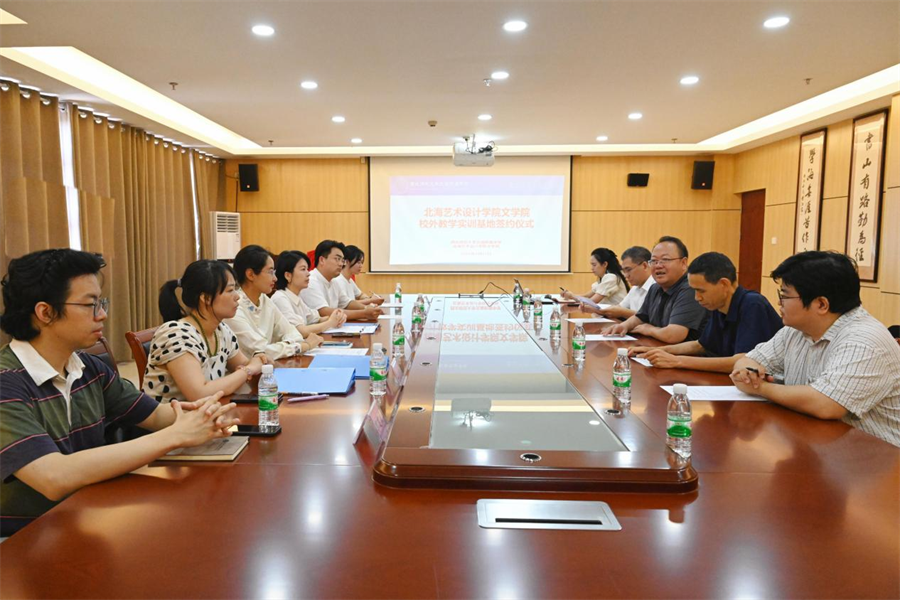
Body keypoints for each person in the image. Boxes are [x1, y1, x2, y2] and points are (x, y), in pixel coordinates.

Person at [0, 249, 238, 536]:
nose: (102, 314)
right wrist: (176, 435)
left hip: (87, 516)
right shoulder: (6, 382)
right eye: (91, 305)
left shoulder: (87, 367)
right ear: (45, 312)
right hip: (24, 536)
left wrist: (206, 415)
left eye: (101, 303)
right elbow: (53, 476)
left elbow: (157, 415)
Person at [731, 251, 900, 447]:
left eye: (784, 295)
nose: (779, 302)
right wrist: (747, 372)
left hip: (878, 458)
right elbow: (749, 360)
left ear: (821, 304)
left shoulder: (864, 340)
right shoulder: (795, 331)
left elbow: (826, 404)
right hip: (817, 447)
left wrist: (760, 387)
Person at [629, 252, 782, 372]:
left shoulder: (753, 304)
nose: (697, 298)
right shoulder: (718, 304)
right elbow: (701, 345)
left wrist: (677, 361)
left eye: (701, 291)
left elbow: (744, 361)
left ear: (724, 284)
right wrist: (655, 351)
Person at [143, 260, 268, 403]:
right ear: (206, 298)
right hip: (175, 416)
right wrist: (248, 371)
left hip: (209, 412)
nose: (237, 296)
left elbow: (245, 364)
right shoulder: (176, 334)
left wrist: (258, 360)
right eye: (230, 290)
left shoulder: (221, 331)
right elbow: (199, 393)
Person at [225, 245, 321, 360]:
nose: (275, 278)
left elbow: (293, 333)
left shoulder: (264, 300)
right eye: (270, 272)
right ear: (250, 274)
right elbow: (261, 350)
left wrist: (286, 346)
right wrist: (303, 346)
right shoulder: (234, 307)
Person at [607, 236, 708, 343]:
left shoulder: (690, 289)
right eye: (654, 261)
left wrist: (649, 329)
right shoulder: (655, 288)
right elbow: (641, 317)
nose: (658, 265)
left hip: (685, 352)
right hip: (658, 347)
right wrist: (624, 326)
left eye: (665, 260)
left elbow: (673, 335)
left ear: (683, 263)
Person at [301, 240, 382, 321]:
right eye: (337, 259)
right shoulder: (310, 281)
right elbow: (324, 312)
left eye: (342, 260)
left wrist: (367, 308)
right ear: (322, 260)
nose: (341, 264)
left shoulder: (334, 281)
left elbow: (347, 303)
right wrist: (364, 313)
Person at [271, 250, 347, 335]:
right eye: (303, 269)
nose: (308, 274)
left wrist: (337, 317)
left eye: (307, 269)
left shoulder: (297, 298)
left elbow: (317, 319)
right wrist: (330, 323)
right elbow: (300, 331)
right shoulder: (280, 298)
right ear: (288, 275)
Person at [581, 246, 655, 320]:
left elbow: (651, 318)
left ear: (644, 266)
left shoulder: (656, 287)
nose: (626, 275)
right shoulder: (635, 288)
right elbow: (619, 308)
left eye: (628, 270)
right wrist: (597, 310)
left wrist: (621, 312)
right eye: (624, 271)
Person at [563, 247, 629, 305]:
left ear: (605, 264)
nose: (591, 268)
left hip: (616, 315)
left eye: (594, 265)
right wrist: (571, 295)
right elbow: (587, 295)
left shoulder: (611, 278)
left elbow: (591, 302)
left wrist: (572, 296)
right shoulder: (603, 278)